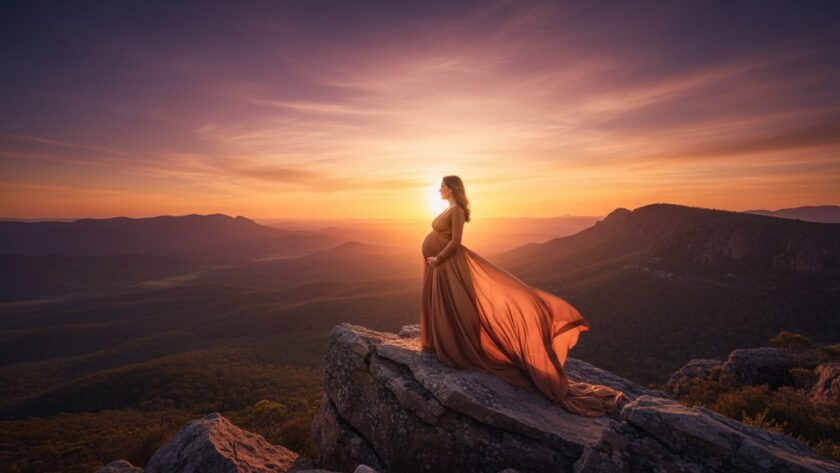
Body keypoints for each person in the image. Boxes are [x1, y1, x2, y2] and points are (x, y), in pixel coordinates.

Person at [420, 175, 627, 417]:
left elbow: (456, 241)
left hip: (448, 264)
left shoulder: (456, 212)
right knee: (446, 304)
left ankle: (457, 345)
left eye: (443, 186)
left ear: (453, 188)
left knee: (455, 305)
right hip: (441, 265)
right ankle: (442, 340)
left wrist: (438, 258)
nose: (439, 190)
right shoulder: (449, 209)